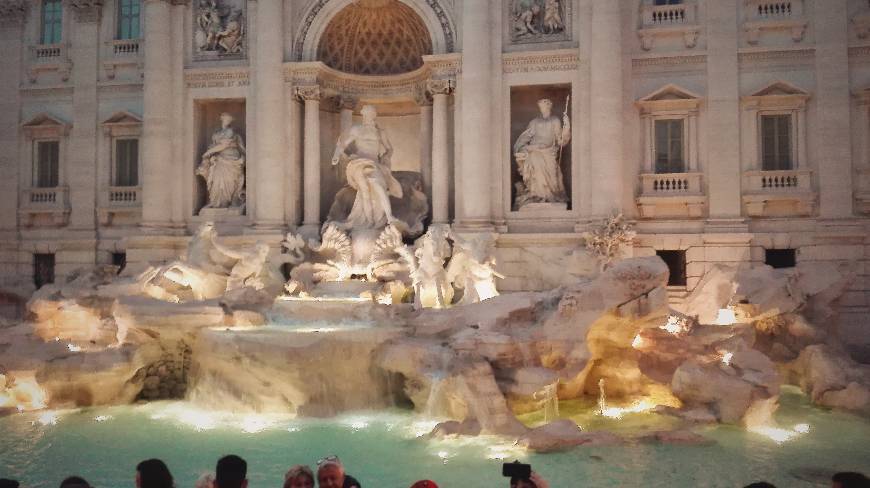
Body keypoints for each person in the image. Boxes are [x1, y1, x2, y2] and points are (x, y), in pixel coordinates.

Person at [330, 104, 403, 230]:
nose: (369, 116)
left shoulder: (380, 132)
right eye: (368, 113)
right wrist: (337, 155)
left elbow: (389, 148)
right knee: (364, 192)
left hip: (374, 163)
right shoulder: (356, 129)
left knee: (377, 185)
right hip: (359, 162)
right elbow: (342, 145)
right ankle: (369, 222)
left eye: (372, 114)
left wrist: (386, 157)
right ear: (364, 115)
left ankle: (389, 216)